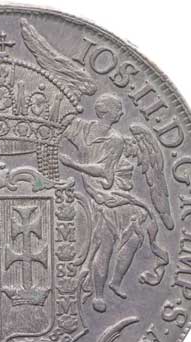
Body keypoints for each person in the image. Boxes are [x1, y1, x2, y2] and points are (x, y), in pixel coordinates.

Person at [59, 93, 151, 313]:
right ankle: (98, 294)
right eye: (118, 109)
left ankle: (115, 282)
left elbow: (105, 172)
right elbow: (59, 123)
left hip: (114, 195)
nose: (122, 112)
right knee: (106, 245)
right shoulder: (83, 128)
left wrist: (73, 164)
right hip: (100, 199)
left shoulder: (115, 139)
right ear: (107, 113)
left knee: (134, 237)